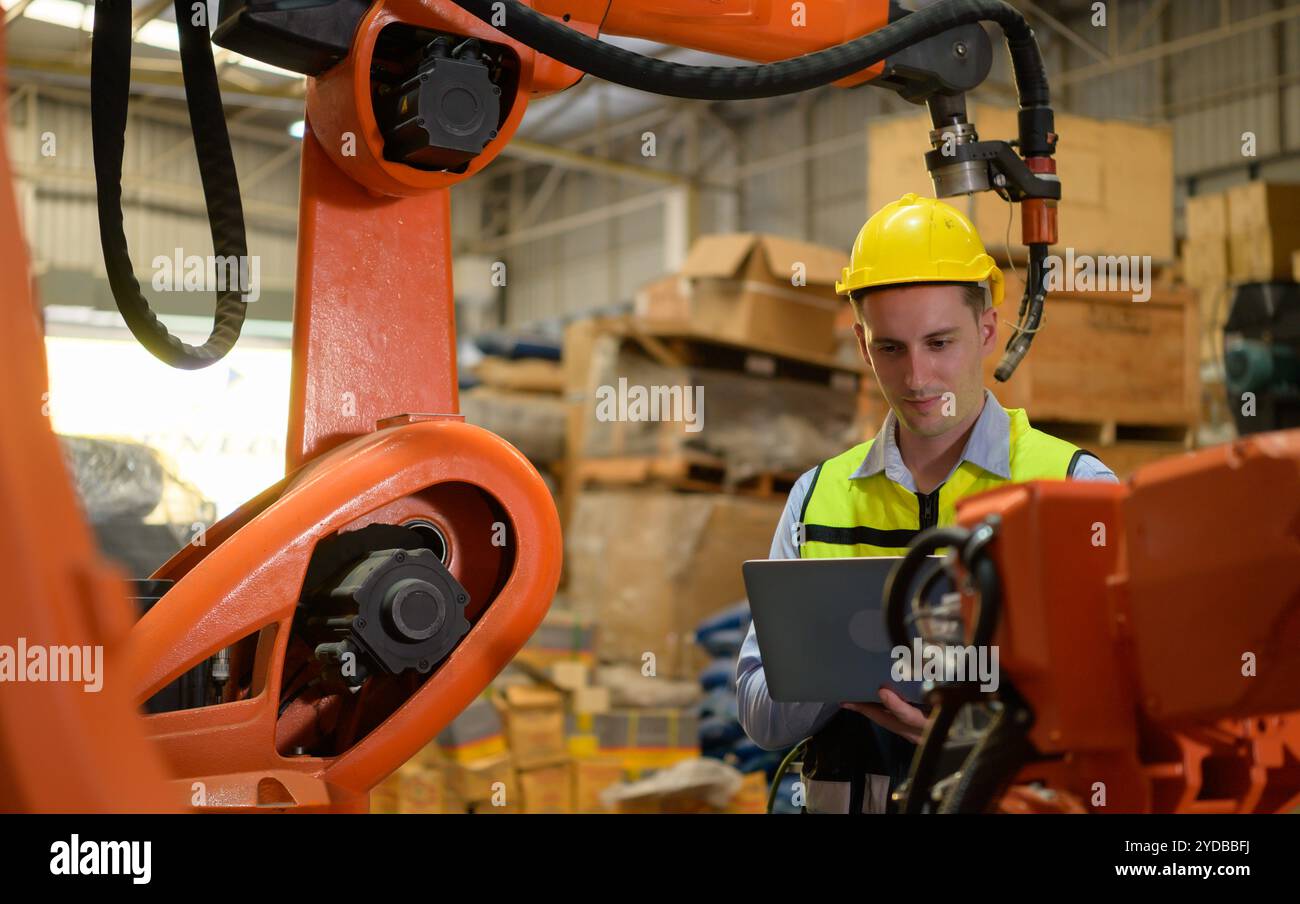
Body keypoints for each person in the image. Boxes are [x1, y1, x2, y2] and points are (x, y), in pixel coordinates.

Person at [736, 193, 1118, 814]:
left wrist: (963, 737)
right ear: (863, 347)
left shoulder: (1075, 488)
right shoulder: (816, 499)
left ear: (988, 330)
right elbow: (758, 713)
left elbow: (1120, 701)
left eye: (939, 342)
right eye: (890, 348)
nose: (916, 378)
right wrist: (846, 670)